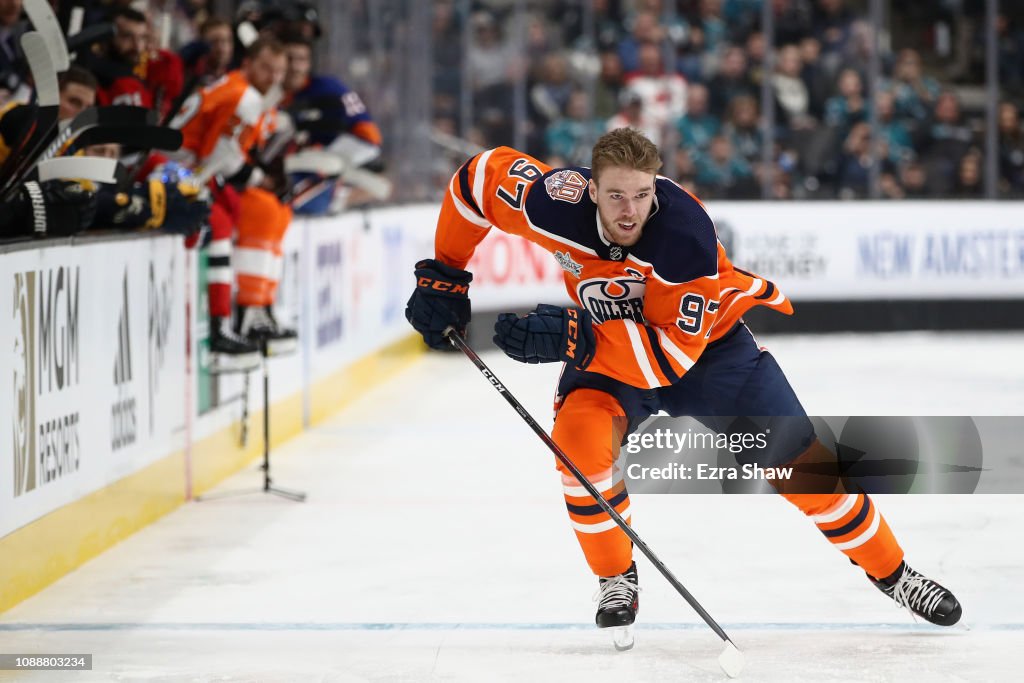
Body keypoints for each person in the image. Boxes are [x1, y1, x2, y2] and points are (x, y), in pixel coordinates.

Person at [405, 128, 962, 641]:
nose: (631, 211)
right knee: (578, 444)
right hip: (611, 351)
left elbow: (668, 364)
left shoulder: (684, 236)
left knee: (801, 463)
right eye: (617, 195)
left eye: (643, 195)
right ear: (591, 191)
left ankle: (894, 573)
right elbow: (474, 181)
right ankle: (615, 575)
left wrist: (577, 337)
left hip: (706, 353)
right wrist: (445, 273)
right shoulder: (551, 201)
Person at [168, 37, 295, 368]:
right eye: (267, 67)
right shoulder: (245, 97)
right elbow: (217, 158)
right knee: (223, 222)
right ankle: (227, 321)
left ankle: (257, 308)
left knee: (251, 211)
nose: (273, 77)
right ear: (248, 63)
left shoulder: (246, 92)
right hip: (173, 169)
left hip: (186, 167)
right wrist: (259, 180)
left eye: (279, 72)